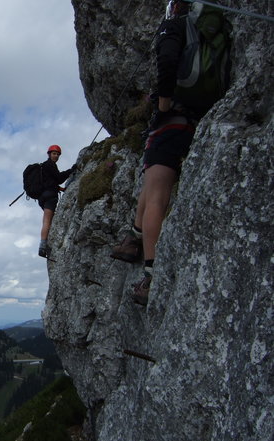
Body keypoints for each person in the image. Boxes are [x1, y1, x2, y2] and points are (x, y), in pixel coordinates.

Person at [110, 0, 230, 305]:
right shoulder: (212, 36)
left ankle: (150, 275)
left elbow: (166, 61)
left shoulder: (175, 27)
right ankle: (133, 238)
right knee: (151, 187)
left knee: (156, 195)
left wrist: (162, 106)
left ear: (175, 7)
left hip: (171, 120)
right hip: (200, 119)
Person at [38, 144, 76, 258]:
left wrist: (62, 189)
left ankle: (47, 241)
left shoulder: (43, 167)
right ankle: (42, 246)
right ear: (49, 154)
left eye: (58, 154)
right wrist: (71, 170)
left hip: (42, 197)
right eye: (54, 154)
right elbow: (59, 178)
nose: (56, 156)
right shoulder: (50, 165)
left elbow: (51, 182)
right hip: (50, 197)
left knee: (48, 219)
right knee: (47, 221)